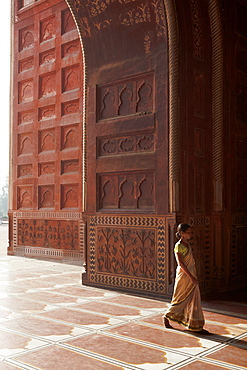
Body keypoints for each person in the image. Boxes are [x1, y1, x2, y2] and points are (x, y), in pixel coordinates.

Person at [164, 223, 209, 334]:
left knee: (194, 300)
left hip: (191, 275)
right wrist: (191, 277)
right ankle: (167, 316)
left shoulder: (187, 244)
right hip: (185, 277)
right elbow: (181, 264)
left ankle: (196, 325)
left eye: (190, 232)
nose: (190, 234)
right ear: (182, 233)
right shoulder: (178, 246)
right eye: (188, 232)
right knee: (180, 299)